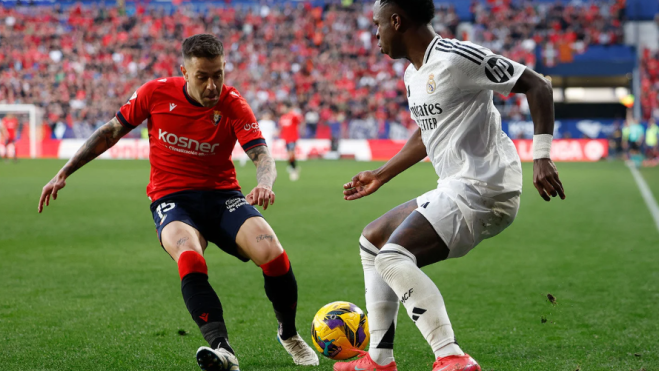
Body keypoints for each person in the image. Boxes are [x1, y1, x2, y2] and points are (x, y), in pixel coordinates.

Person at [38, 34, 318, 371]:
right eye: (203, 76)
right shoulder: (154, 93)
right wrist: (65, 171)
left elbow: (261, 154)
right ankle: (223, 349)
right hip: (171, 200)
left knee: (271, 251)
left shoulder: (233, 104)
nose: (213, 85)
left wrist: (264, 184)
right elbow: (111, 132)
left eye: (219, 74)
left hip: (223, 196)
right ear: (184, 71)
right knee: (189, 255)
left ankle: (288, 333)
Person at [336, 1, 565, 370]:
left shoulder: (457, 57)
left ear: (397, 21)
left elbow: (538, 85)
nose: (374, 34)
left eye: (378, 25)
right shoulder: (413, 74)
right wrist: (381, 175)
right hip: (457, 186)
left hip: (487, 188)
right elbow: (428, 134)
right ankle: (379, 359)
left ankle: (451, 357)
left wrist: (542, 156)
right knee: (373, 240)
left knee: (393, 258)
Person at [278, 102, 304, 181]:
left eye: (283, 107)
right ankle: (294, 168)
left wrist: (300, 130)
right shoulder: (282, 117)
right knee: (289, 155)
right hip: (286, 138)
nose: (281, 109)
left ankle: (294, 170)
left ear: (287, 107)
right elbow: (281, 128)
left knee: (291, 154)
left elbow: (301, 121)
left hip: (292, 138)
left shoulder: (293, 115)